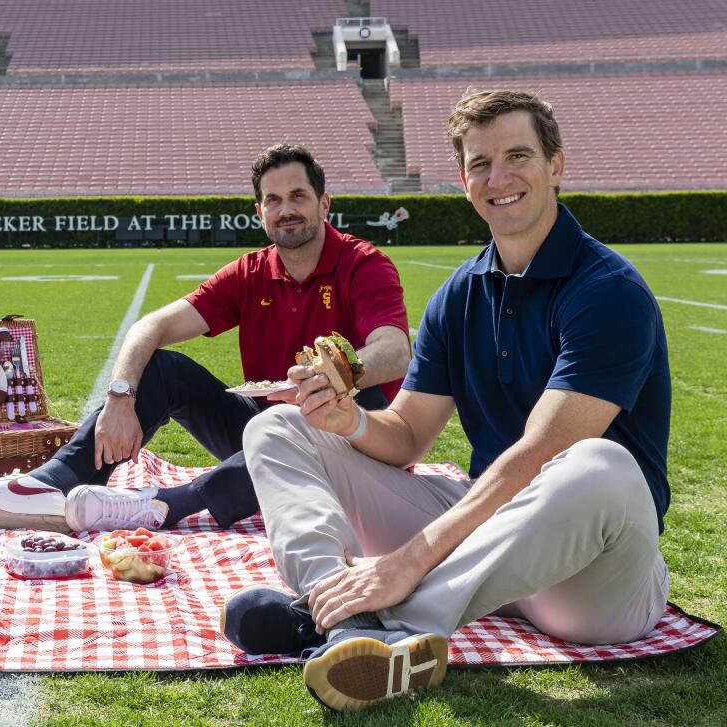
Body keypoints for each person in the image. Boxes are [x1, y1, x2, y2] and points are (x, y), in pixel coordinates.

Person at [227, 91, 672, 711]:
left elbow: (542, 452)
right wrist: (348, 420)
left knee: (600, 463)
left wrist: (409, 561)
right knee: (277, 426)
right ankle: (338, 611)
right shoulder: (459, 294)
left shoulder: (608, 289)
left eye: (518, 155)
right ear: (464, 181)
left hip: (593, 578)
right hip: (484, 543)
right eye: (479, 163)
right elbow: (408, 436)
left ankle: (392, 617)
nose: (499, 177)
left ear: (556, 165)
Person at [0, 143, 412, 534]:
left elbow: (394, 350)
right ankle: (49, 486)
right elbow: (150, 327)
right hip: (263, 434)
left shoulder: (363, 264)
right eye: (273, 200)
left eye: (298, 196)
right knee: (163, 369)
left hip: (350, 445)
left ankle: (163, 505)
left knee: (303, 416)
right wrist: (120, 399)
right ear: (259, 211)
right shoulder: (251, 272)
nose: (286, 210)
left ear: (324, 203)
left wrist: (326, 380)